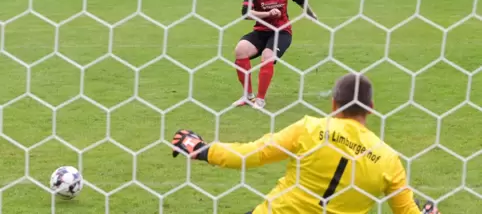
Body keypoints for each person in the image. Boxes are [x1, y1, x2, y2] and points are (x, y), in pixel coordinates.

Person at [171, 73, 441, 214]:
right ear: (371, 108)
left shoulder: (311, 128)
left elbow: (253, 154)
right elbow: (406, 211)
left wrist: (202, 149)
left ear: (333, 103)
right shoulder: (388, 159)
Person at [232, 0, 317, 109]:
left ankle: (260, 100)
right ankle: (247, 96)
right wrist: (267, 14)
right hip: (261, 30)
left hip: (281, 32)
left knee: (267, 56)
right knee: (240, 50)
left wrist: (310, 13)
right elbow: (245, 14)